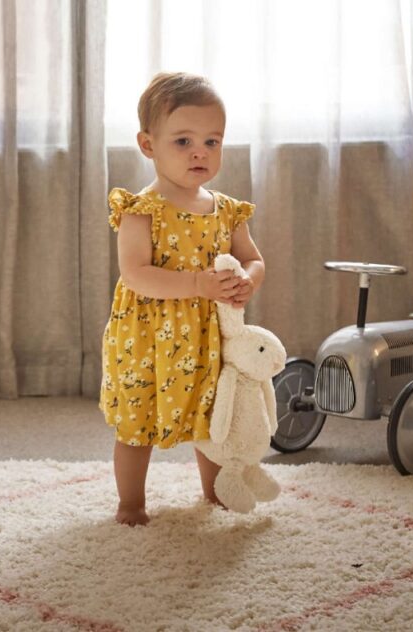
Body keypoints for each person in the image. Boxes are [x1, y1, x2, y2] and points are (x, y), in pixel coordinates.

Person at [99, 72, 265, 526]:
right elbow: (136, 274)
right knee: (138, 424)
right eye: (184, 141)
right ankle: (130, 503)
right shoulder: (141, 210)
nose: (200, 152)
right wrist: (196, 285)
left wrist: (248, 279)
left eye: (213, 142)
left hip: (204, 339)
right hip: (147, 341)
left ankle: (215, 493)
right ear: (148, 145)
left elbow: (253, 259)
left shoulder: (227, 210)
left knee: (211, 419)